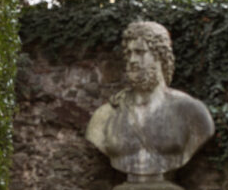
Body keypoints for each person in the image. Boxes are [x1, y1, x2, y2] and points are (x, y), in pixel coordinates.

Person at [85, 20, 215, 178]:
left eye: (140, 52)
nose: (132, 60)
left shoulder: (191, 112)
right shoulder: (105, 116)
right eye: (129, 54)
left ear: (160, 56)